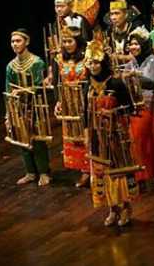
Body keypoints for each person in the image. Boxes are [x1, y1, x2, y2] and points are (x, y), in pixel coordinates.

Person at [84, 39, 139, 226]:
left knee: (118, 172)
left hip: (115, 135)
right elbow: (85, 113)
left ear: (103, 62)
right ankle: (112, 208)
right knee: (102, 172)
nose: (93, 66)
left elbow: (130, 108)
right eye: (90, 62)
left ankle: (125, 207)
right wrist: (86, 134)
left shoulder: (116, 83)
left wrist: (113, 113)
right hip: (97, 136)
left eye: (96, 62)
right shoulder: (88, 86)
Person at [125, 27, 154, 189]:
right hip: (137, 106)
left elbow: (152, 82)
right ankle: (141, 176)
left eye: (136, 44)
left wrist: (133, 77)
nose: (133, 47)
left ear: (144, 44)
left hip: (153, 106)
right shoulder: (130, 63)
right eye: (131, 44)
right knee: (138, 141)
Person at [5, 29, 51, 186]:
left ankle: (44, 172)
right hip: (19, 106)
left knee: (37, 139)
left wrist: (23, 91)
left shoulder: (36, 63)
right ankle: (30, 172)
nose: (15, 44)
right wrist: (8, 113)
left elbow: (39, 86)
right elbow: (8, 90)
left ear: (27, 42)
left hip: (36, 105)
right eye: (13, 41)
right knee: (22, 138)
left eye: (18, 41)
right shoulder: (10, 66)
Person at [52, 26, 90, 187]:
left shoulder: (87, 57)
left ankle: (93, 170)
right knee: (75, 137)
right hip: (68, 100)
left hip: (84, 98)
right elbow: (56, 82)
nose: (67, 44)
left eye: (70, 41)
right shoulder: (59, 59)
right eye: (65, 41)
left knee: (88, 134)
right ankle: (83, 171)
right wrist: (58, 101)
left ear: (78, 41)